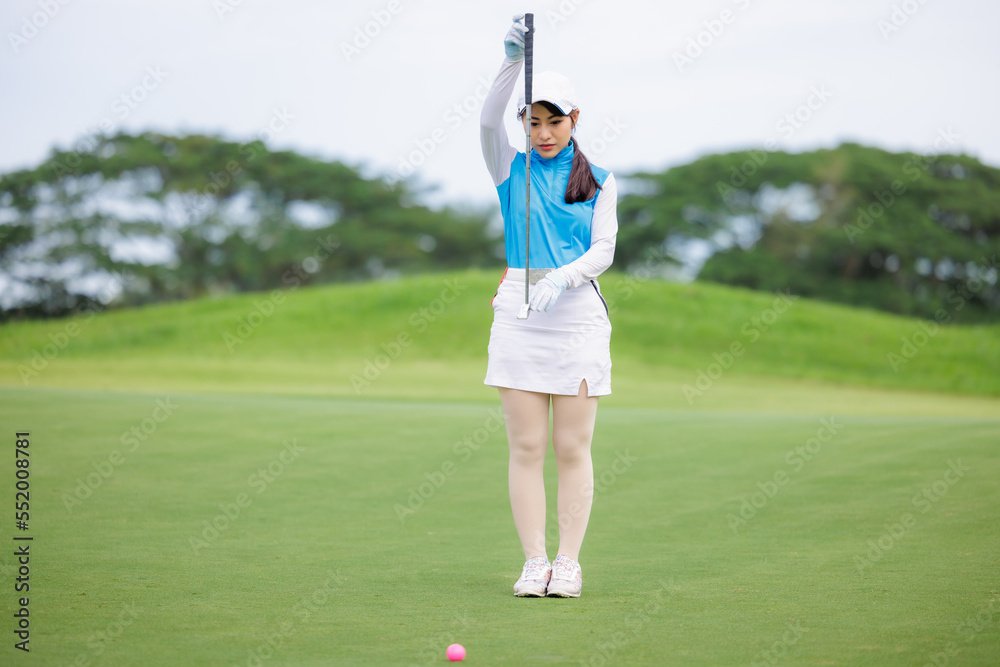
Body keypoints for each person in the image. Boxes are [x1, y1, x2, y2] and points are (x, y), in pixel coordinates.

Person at [479, 14, 619, 598]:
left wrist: (561, 278)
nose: (542, 133)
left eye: (554, 121)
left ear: (574, 119)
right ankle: (534, 562)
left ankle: (569, 563)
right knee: (527, 446)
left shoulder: (599, 179)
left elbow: (604, 250)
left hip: (577, 313)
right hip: (519, 312)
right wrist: (511, 60)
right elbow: (487, 120)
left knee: (571, 447)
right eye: (532, 121)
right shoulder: (509, 166)